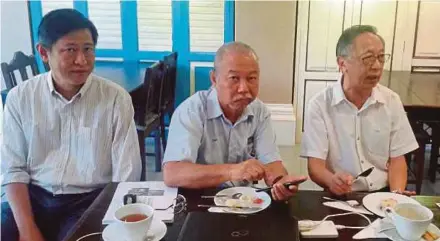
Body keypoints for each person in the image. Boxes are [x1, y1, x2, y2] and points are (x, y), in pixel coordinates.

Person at [1, 9, 141, 241]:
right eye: (70, 50)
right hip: (34, 196)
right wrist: (27, 229)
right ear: (44, 53)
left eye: (88, 49)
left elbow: (126, 175)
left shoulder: (116, 99)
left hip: (90, 199)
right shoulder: (20, 98)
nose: (82, 60)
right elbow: (13, 170)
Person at [162, 41, 307, 201]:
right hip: (198, 200)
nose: (244, 88)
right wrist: (232, 171)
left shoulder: (259, 111)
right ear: (214, 79)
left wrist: (280, 182)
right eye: (234, 78)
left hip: (242, 201)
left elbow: (271, 162)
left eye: (252, 78)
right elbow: (173, 173)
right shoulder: (192, 111)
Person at [301, 25, 418, 196]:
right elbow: (315, 166)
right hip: (340, 193)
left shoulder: (391, 101)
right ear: (342, 64)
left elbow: (397, 159)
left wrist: (396, 195)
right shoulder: (320, 105)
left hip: (383, 194)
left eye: (381, 57)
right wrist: (331, 180)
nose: (377, 66)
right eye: (368, 58)